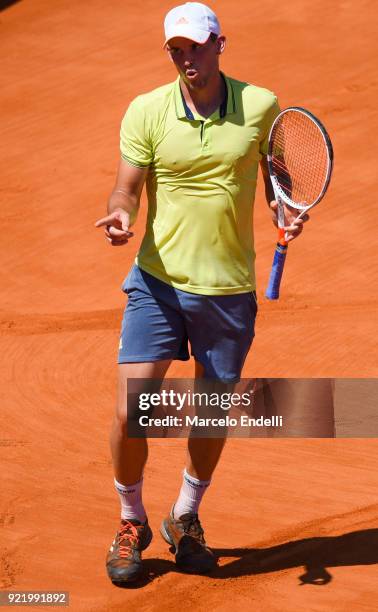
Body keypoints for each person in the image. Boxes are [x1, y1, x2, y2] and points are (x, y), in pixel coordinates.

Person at [95, 1, 308, 585]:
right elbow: (125, 187)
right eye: (175, 49)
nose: (185, 57)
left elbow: (278, 174)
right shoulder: (147, 110)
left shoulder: (261, 106)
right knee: (129, 409)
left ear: (220, 43)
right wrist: (119, 216)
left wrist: (283, 208)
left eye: (195, 46)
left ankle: (185, 516)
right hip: (156, 282)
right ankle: (131, 519)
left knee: (210, 413)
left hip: (228, 289)